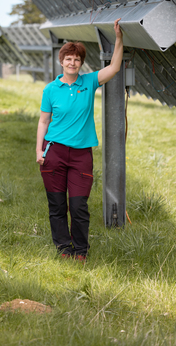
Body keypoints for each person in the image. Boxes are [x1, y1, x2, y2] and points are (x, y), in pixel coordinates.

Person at [36, 19, 123, 261]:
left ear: (81, 63)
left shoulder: (89, 82)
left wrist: (118, 39)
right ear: (61, 61)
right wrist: (39, 151)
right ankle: (64, 249)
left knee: (78, 206)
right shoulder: (50, 90)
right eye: (68, 59)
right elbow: (43, 122)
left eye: (77, 59)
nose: (72, 63)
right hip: (54, 153)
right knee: (57, 205)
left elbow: (115, 67)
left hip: (81, 155)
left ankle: (80, 251)